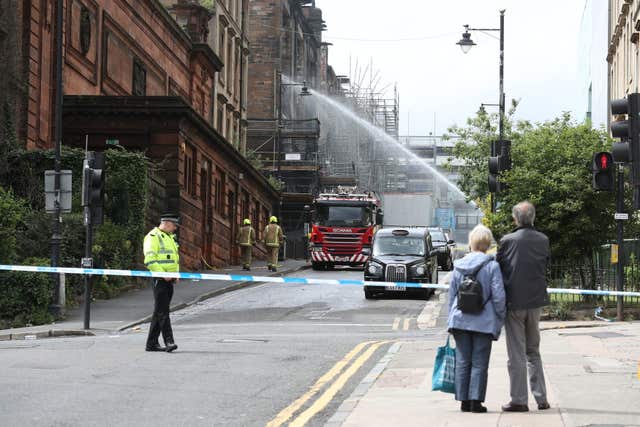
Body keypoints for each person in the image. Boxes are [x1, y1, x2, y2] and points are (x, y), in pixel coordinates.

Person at [496, 201, 551, 412]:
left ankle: (519, 400)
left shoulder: (507, 240)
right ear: (533, 218)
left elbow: (498, 265)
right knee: (533, 351)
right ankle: (541, 398)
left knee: (516, 353)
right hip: (536, 302)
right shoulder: (543, 240)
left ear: (515, 219)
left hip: (514, 303)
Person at [447, 224, 506, 413]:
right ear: (488, 244)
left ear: (471, 243)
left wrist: (451, 317)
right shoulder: (492, 266)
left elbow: (452, 296)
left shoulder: (458, 266)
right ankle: (476, 402)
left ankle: (463, 401)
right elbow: (498, 296)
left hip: (460, 319)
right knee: (480, 362)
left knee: (463, 359)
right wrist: (499, 317)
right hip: (484, 321)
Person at [143, 213, 180, 353]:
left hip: (169, 280)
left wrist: (176, 274)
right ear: (167, 223)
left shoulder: (170, 238)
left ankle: (151, 344)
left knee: (159, 311)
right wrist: (163, 274)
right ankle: (169, 341)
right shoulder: (153, 237)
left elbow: (174, 258)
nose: (175, 228)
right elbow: (149, 260)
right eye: (174, 225)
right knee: (163, 311)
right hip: (160, 280)